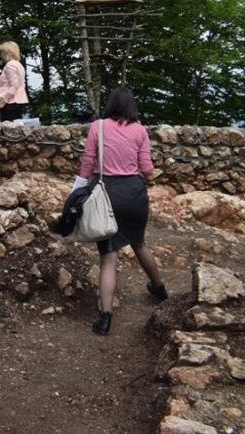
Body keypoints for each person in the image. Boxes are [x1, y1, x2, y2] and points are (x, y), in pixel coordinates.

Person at [78, 87, 167, 336]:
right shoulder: (140, 130)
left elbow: (87, 161)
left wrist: (78, 189)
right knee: (139, 244)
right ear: (132, 107)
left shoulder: (98, 126)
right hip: (134, 193)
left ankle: (105, 318)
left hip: (105, 193)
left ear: (110, 105)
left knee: (108, 257)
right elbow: (147, 169)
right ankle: (159, 289)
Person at [0, 40, 29, 121]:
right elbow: (17, 80)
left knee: (8, 127)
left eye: (2, 52)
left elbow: (14, 85)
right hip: (18, 101)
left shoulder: (10, 65)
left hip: (10, 102)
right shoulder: (18, 64)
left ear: (7, 52)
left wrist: (4, 101)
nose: (1, 54)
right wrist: (0, 79)